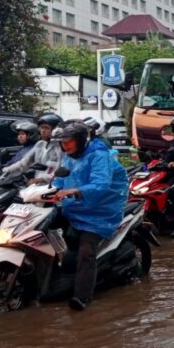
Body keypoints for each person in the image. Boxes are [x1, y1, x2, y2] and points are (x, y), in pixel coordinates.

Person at [51, 122, 128, 311]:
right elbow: (61, 178)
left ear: (79, 141)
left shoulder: (99, 156)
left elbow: (100, 184)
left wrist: (76, 190)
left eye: (68, 142)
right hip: (77, 207)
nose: (65, 146)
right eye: (63, 143)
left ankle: (82, 297)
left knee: (86, 252)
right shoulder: (70, 157)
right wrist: (52, 188)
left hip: (100, 211)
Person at [2, 113, 64, 182]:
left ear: (55, 129)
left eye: (46, 128)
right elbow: (24, 163)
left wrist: (42, 179)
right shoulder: (40, 144)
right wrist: (6, 170)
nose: (43, 131)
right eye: (41, 128)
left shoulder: (60, 147)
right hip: (37, 185)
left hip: (53, 185)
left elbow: (62, 170)